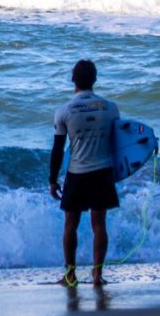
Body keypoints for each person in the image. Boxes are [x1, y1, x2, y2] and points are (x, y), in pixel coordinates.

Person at [49, 59, 120, 287]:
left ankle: (70, 275)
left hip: (77, 173)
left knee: (70, 223)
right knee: (99, 223)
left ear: (73, 80)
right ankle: (97, 276)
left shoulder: (64, 111)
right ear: (95, 79)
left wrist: (53, 180)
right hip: (102, 171)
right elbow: (119, 143)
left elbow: (58, 149)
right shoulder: (111, 108)